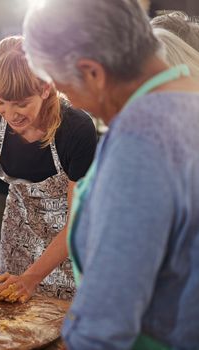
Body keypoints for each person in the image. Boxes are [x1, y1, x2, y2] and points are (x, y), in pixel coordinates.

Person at [23, 0, 199, 349]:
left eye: (65, 89)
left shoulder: (140, 143)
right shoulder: (188, 101)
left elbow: (106, 321)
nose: (71, 101)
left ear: (93, 73)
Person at [0, 36, 96, 304]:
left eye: (21, 103)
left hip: (72, 238)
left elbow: (78, 220)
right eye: (1, 102)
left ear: (46, 88)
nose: (10, 113)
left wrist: (32, 277)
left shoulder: (77, 128)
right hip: (19, 231)